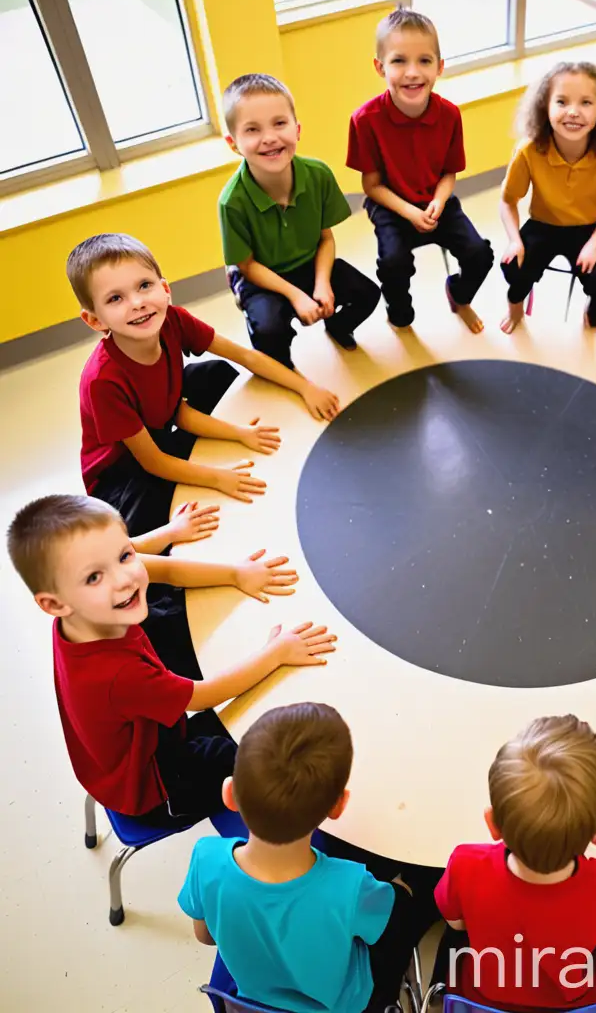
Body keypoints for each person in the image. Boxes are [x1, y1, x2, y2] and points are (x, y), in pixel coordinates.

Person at [6, 494, 335, 825]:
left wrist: (230, 570)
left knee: (172, 616)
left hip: (129, 747)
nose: (124, 578)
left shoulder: (76, 613)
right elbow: (203, 696)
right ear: (53, 603)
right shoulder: (120, 675)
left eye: (124, 556)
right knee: (267, 758)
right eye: (94, 577)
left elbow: (157, 566)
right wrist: (275, 652)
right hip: (154, 785)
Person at [71, 233, 342, 539]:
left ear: (165, 288)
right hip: (123, 469)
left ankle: (186, 455)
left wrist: (305, 388)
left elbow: (241, 358)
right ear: (95, 320)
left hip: (157, 426)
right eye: (115, 298)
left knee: (215, 373)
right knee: (145, 514)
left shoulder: (173, 320)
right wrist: (218, 478)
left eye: (144, 286)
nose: (137, 303)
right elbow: (152, 460)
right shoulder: (103, 382)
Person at [180, 703, 426, 1013]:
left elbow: (205, 937)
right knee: (411, 901)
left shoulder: (205, 858)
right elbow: (390, 926)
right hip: (343, 1004)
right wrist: (402, 892)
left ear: (229, 793)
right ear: (338, 807)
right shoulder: (349, 885)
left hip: (250, 1000)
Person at [434, 715, 596, 1010]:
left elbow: (455, 922)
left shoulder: (465, 863)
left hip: (485, 997)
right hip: (575, 1003)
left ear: (492, 824)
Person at [347, 9, 493, 334]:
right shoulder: (365, 120)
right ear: (379, 66)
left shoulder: (451, 115)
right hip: (391, 206)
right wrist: (410, 213)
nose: (413, 72)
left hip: (435, 200)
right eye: (399, 61)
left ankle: (459, 294)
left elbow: (448, 174)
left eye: (424, 61)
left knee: (480, 254)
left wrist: (439, 202)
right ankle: (399, 313)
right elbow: (371, 186)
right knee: (394, 263)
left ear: (439, 67)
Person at [221, 73, 381, 364]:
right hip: (260, 277)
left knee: (368, 294)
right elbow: (246, 264)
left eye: (279, 123)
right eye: (253, 129)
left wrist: (322, 284)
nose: (269, 137)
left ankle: (338, 326)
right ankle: (283, 366)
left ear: (297, 129)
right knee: (269, 332)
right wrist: (296, 296)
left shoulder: (318, 175)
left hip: (308, 263)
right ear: (233, 143)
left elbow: (326, 238)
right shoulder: (231, 202)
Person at [499, 61, 596, 334]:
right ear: (545, 107)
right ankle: (515, 307)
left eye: (585, 103)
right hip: (543, 226)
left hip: (588, 229)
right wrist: (515, 241)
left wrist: (594, 245)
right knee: (514, 267)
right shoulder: (529, 151)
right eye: (561, 102)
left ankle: (593, 310)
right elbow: (508, 201)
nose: (573, 112)